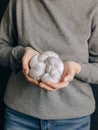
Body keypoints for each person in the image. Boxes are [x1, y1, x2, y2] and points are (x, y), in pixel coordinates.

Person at [0, 0, 98, 130]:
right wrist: (21, 54)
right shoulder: (20, 2)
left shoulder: (93, 5)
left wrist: (78, 69)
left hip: (73, 120)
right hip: (20, 116)